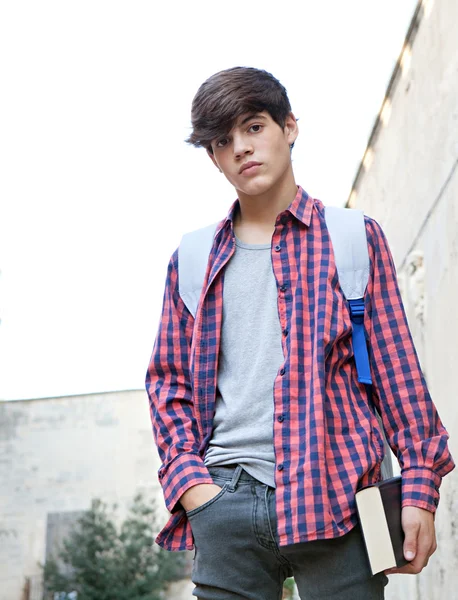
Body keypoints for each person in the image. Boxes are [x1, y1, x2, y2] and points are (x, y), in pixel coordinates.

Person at [145, 67, 455, 599]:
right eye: (224, 141)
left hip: (336, 496)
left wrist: (419, 491)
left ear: (289, 127)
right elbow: (167, 383)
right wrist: (194, 488)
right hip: (226, 498)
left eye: (254, 127)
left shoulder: (352, 239)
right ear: (214, 158)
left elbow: (397, 375)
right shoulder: (192, 260)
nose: (241, 148)